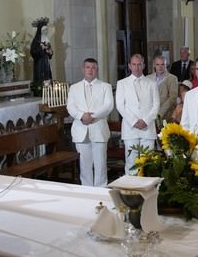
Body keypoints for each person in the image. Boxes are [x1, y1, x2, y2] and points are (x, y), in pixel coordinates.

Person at [67, 58, 114, 186]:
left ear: (97, 70)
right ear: (83, 69)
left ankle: (101, 193)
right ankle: (87, 193)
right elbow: (70, 107)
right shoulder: (74, 87)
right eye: (87, 67)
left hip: (98, 129)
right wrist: (82, 116)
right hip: (81, 130)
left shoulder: (105, 86)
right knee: (84, 166)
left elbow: (109, 105)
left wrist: (92, 116)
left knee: (100, 166)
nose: (90, 70)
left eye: (93, 68)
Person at [116, 54, 160, 172]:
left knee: (148, 162)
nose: (137, 67)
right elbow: (120, 106)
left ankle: (147, 188)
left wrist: (146, 121)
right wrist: (134, 121)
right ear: (129, 66)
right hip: (130, 128)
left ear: (144, 66)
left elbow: (156, 105)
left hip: (147, 128)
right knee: (131, 162)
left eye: (139, 64)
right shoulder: (122, 83)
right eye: (134, 64)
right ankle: (131, 189)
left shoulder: (152, 83)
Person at [149, 54, 178, 121]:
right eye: (157, 64)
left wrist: (159, 114)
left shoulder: (172, 78)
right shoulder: (148, 78)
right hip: (150, 115)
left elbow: (172, 98)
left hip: (166, 115)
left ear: (166, 65)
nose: (160, 67)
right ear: (154, 65)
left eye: (162, 64)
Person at [30, 17, 53, 86]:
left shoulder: (47, 39)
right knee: (40, 77)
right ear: (41, 31)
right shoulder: (36, 41)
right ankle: (40, 89)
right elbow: (33, 52)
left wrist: (50, 52)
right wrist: (41, 48)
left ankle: (48, 88)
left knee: (47, 76)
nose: (46, 31)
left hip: (46, 62)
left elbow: (49, 52)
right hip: (39, 63)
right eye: (45, 30)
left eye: (47, 29)